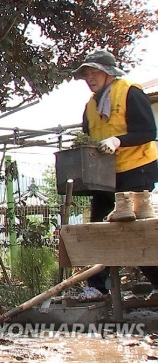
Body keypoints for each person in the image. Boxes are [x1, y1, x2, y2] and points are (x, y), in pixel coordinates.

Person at [72, 49, 158, 296]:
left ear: (108, 72)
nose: (90, 78)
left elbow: (148, 132)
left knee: (138, 231)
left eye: (94, 72)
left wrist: (118, 141)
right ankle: (97, 288)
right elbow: (88, 137)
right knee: (99, 225)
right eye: (86, 74)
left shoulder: (130, 91)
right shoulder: (90, 105)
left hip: (137, 170)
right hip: (105, 175)